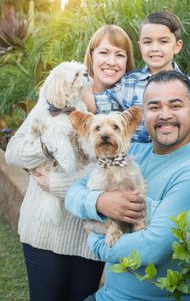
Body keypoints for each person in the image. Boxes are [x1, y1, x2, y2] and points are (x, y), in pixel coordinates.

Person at [5, 25, 144, 301]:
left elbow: (121, 172)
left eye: (120, 55)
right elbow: (13, 152)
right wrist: (47, 147)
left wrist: (58, 182)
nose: (111, 61)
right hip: (47, 229)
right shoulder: (60, 96)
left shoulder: (125, 110)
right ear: (91, 56)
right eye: (103, 52)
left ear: (128, 63)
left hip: (91, 235)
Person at [65, 70, 190, 301]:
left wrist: (95, 242)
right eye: (154, 107)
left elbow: (150, 248)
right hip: (107, 295)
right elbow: (73, 194)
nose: (165, 115)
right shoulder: (133, 151)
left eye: (175, 105)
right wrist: (99, 202)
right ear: (144, 116)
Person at [83, 11, 190, 143]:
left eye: (163, 41)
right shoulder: (128, 83)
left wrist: (182, 148)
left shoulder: (189, 85)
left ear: (177, 46)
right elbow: (95, 105)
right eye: (147, 42)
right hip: (135, 156)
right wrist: (78, 76)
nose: (154, 48)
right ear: (140, 46)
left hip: (176, 155)